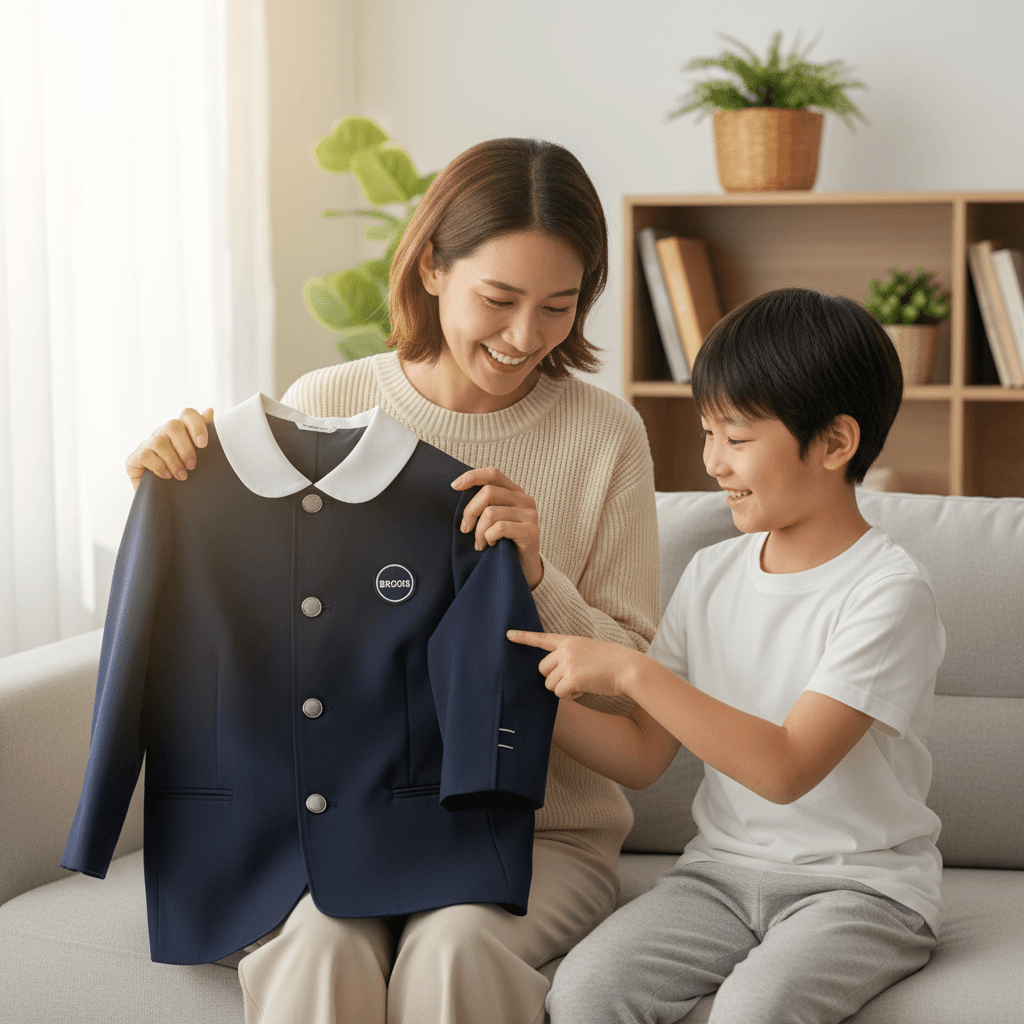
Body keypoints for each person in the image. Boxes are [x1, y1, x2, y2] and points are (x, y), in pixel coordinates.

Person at [124, 137, 660, 1024]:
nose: (526, 337)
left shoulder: (606, 437)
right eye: (499, 299)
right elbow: (263, 634)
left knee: (454, 951)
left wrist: (537, 575)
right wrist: (165, 491)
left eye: (558, 307)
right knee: (318, 950)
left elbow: (637, 706)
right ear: (433, 267)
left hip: (542, 833)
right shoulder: (327, 402)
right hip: (348, 814)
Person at [510, 287, 945, 1024]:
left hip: (860, 889)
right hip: (717, 878)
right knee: (583, 993)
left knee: (752, 1010)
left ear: (836, 443)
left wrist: (631, 671)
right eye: (707, 433)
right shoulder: (713, 573)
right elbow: (647, 757)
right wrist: (522, 697)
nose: (713, 462)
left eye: (737, 439)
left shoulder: (888, 593)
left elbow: (784, 769)